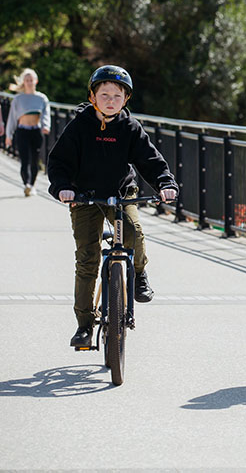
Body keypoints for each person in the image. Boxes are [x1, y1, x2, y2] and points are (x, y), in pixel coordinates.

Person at [47, 65, 178, 348]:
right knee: (87, 259)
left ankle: (140, 274)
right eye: (104, 94)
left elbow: (150, 160)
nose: (110, 100)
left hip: (120, 193)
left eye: (117, 96)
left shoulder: (130, 128)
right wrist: (62, 187)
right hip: (84, 197)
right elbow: (59, 162)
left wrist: (165, 183)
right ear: (92, 96)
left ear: (125, 99)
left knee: (133, 231)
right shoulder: (80, 126)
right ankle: (84, 325)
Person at [4, 68, 50, 196]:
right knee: (24, 160)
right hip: (22, 131)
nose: (29, 82)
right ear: (23, 82)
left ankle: (32, 184)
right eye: (27, 80)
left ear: (36, 81)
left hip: (36, 132)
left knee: (35, 160)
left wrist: (46, 126)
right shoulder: (18, 99)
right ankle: (26, 184)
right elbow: (12, 118)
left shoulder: (42, 98)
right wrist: (9, 135)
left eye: (31, 80)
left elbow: (46, 114)